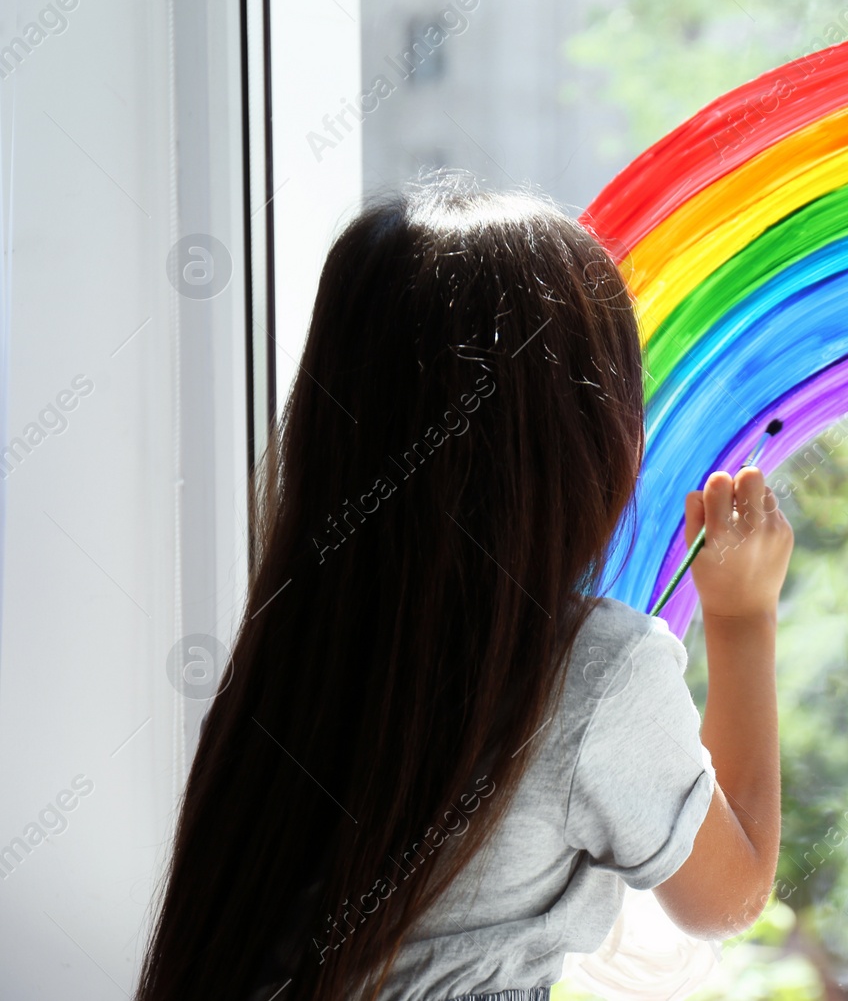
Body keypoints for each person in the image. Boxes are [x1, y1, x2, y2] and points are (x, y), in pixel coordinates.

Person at [133, 174, 793, 1001]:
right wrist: (741, 618)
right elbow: (727, 898)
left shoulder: (294, 644)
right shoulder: (595, 669)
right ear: (583, 443)